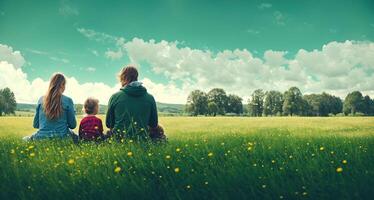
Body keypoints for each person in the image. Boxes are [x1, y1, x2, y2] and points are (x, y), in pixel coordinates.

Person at [106, 66, 165, 141]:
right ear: (136, 77)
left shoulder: (115, 97)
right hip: (142, 140)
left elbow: (109, 124)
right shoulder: (150, 98)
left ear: (122, 78)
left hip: (118, 140)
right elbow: (153, 124)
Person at [23, 73, 78, 141]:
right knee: (78, 137)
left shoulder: (41, 100)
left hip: (40, 138)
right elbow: (73, 125)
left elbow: (36, 125)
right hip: (62, 138)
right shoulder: (68, 100)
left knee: (25, 139)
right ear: (62, 85)